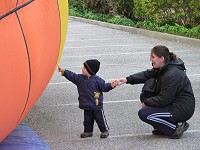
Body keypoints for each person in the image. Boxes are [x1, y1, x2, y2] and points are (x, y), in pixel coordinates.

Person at [117, 45, 195, 139]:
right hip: (172, 103)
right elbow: (146, 75)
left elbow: (164, 99)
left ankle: (176, 127)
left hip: (181, 109)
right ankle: (164, 126)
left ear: (161, 58)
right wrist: (127, 79)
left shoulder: (173, 74)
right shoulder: (164, 67)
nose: (151, 59)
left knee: (145, 113)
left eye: (153, 57)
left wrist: (146, 102)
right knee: (145, 95)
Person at [58, 59, 117, 138]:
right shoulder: (79, 78)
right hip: (86, 104)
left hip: (96, 105)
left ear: (90, 70)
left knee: (99, 119)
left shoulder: (98, 80)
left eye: (84, 67)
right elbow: (71, 75)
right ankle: (88, 131)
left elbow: (105, 87)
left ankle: (104, 130)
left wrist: (112, 85)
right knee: (87, 120)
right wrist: (64, 71)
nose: (82, 68)